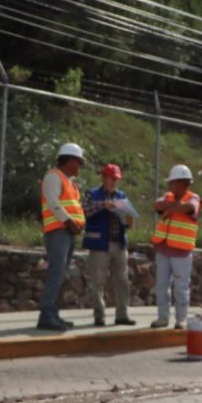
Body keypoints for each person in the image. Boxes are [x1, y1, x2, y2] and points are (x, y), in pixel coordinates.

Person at [37, 142, 86, 331]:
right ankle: (47, 316)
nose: (80, 166)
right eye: (78, 162)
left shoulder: (69, 182)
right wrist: (69, 222)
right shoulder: (53, 177)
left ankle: (53, 314)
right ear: (69, 160)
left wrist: (76, 224)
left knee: (59, 274)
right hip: (59, 231)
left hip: (66, 232)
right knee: (56, 273)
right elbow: (53, 202)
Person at [82, 163, 136, 327]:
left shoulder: (121, 195)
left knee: (122, 280)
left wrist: (129, 219)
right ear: (103, 178)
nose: (113, 182)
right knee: (97, 281)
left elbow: (128, 221)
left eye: (115, 179)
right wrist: (103, 205)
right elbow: (84, 211)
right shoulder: (92, 193)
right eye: (111, 179)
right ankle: (99, 316)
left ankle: (122, 315)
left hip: (119, 243)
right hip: (99, 244)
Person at [151, 164, 201, 329]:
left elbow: (190, 208)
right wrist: (174, 207)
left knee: (181, 287)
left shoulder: (193, 198)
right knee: (162, 286)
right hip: (163, 248)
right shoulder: (168, 196)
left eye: (172, 182)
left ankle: (181, 319)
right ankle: (162, 318)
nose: (169, 185)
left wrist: (171, 208)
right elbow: (157, 205)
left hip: (181, 252)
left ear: (182, 182)